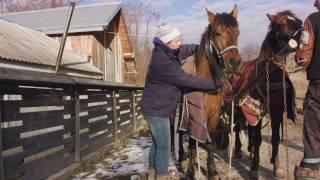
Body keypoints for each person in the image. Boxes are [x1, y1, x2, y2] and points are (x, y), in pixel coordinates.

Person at [141, 23, 221, 180]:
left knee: (156, 143)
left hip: (154, 107)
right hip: (157, 111)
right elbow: (187, 80)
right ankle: (162, 175)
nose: (180, 43)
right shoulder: (163, 63)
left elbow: (184, 49)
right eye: (177, 41)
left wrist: (200, 48)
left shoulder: (165, 51)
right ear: (167, 42)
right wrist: (214, 83)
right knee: (163, 145)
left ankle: (152, 172)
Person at [294, 0, 320, 179]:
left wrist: (297, 52)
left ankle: (311, 169)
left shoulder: (312, 20)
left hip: (319, 87)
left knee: (312, 128)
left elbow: (303, 58)